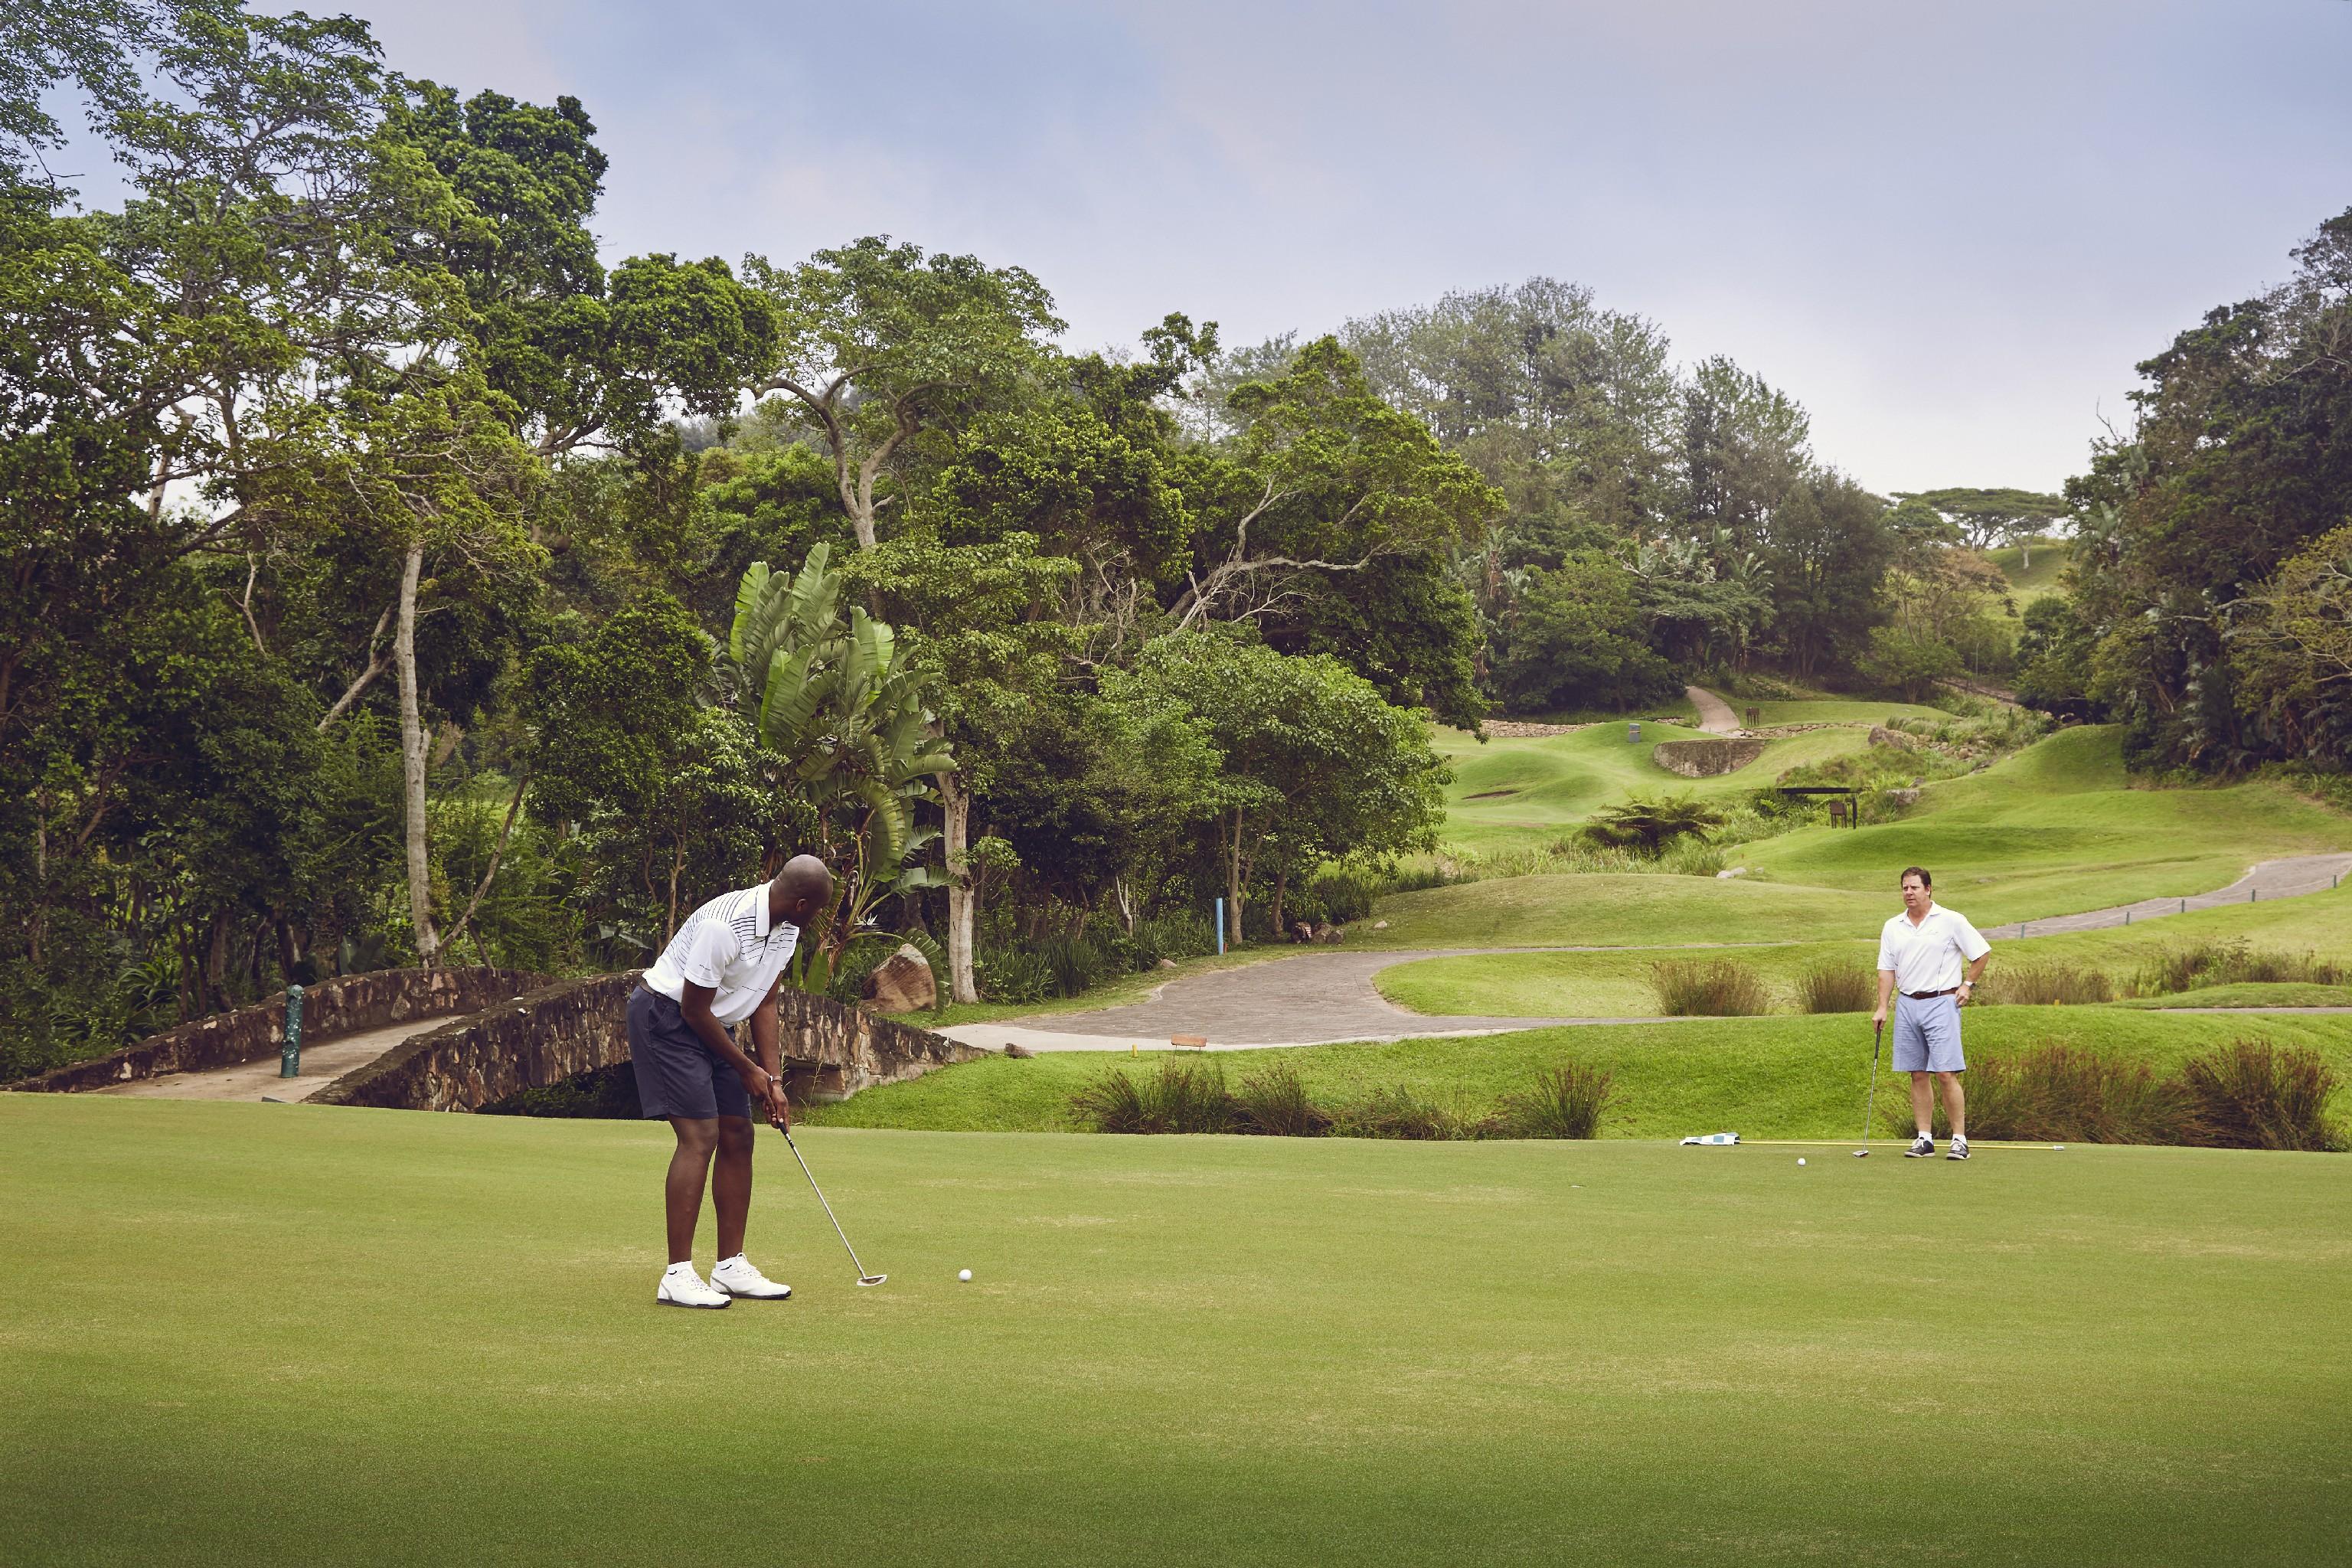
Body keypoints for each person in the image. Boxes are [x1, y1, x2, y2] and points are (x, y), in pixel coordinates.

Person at [629, 854, 835, 1308]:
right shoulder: (725, 925)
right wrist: (747, 1069)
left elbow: (765, 1002)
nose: (815, 918)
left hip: (714, 1023)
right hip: (665, 1016)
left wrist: (774, 1078)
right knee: (700, 1136)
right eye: (817, 910)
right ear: (802, 902)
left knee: (739, 1134)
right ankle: (677, 1274)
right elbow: (691, 1010)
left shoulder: (788, 928)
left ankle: (729, 1266)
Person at [1870, 864, 1991, 1160]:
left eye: (1914, 887)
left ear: (1928, 889)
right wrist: (1883, 1006)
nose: (1908, 893)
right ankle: (1924, 1139)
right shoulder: (1893, 926)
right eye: (1904, 888)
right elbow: (1886, 970)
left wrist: (1968, 985)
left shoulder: (1951, 920)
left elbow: (1981, 952)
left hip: (1942, 1002)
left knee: (1946, 1073)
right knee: (1917, 1073)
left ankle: (1959, 1139)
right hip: (1908, 1003)